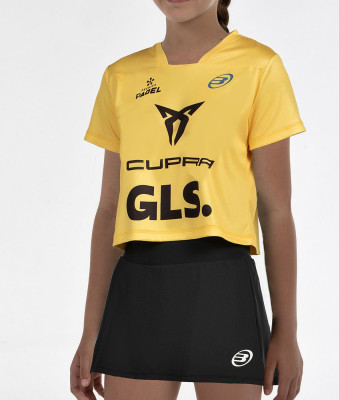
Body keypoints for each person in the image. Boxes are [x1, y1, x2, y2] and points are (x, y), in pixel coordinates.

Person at [70, 1, 306, 399]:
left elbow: (276, 208)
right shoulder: (122, 76)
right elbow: (110, 209)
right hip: (139, 291)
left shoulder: (259, 66)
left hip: (223, 290)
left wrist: (287, 329)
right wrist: (92, 329)